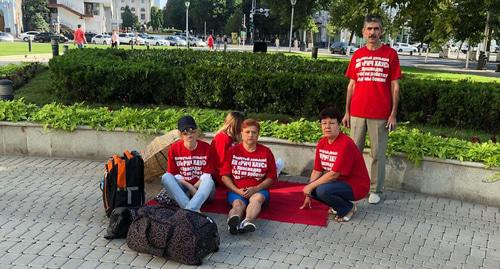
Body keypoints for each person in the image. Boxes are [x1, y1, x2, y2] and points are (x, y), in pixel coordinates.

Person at [341, 14, 401, 205]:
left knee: (377, 154)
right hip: (357, 112)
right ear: (363, 32)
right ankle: (353, 185)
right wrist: (347, 112)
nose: (372, 32)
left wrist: (393, 114)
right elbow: (351, 85)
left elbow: (395, 86)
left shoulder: (390, 54)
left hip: (380, 114)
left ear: (381, 31)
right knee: (354, 154)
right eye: (369, 29)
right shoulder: (358, 55)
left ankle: (376, 189)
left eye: (376, 29)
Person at [300, 108, 370, 222]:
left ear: (339, 125)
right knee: (314, 189)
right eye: (324, 123)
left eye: (332, 123)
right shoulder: (322, 142)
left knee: (321, 191)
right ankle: (338, 205)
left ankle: (348, 208)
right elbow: (317, 170)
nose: (327, 126)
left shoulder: (346, 144)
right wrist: (309, 193)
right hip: (339, 182)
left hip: (356, 185)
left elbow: (334, 175)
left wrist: (310, 187)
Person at [220, 119, 277, 234]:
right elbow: (224, 176)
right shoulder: (232, 151)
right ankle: (232, 222)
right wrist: (237, 190)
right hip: (237, 189)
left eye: (254, 132)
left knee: (256, 199)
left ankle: (247, 221)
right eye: (247, 132)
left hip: (258, 190)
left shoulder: (266, 152)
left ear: (258, 135)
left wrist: (255, 189)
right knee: (238, 204)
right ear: (241, 134)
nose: (250, 135)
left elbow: (271, 177)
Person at [161, 116, 216, 212]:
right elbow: (174, 174)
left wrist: (194, 189)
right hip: (183, 190)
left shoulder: (207, 148)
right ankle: (192, 210)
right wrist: (189, 187)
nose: (189, 134)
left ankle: (188, 210)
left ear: (197, 131)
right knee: (166, 177)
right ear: (180, 134)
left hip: (203, 191)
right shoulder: (174, 149)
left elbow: (207, 174)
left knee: (208, 181)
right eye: (185, 132)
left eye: (192, 130)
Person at [211, 111, 245, 184]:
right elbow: (220, 163)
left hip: (230, 171)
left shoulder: (232, 138)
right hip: (220, 175)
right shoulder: (222, 138)